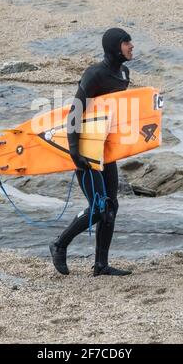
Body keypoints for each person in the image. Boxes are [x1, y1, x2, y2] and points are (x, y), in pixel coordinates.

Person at [49, 28, 134, 276]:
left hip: (106, 149)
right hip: (86, 148)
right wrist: (75, 151)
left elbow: (113, 114)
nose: (131, 46)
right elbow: (75, 112)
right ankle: (59, 244)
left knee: (111, 206)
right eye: (126, 42)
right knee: (98, 207)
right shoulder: (94, 74)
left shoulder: (124, 73)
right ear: (114, 47)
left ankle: (100, 265)